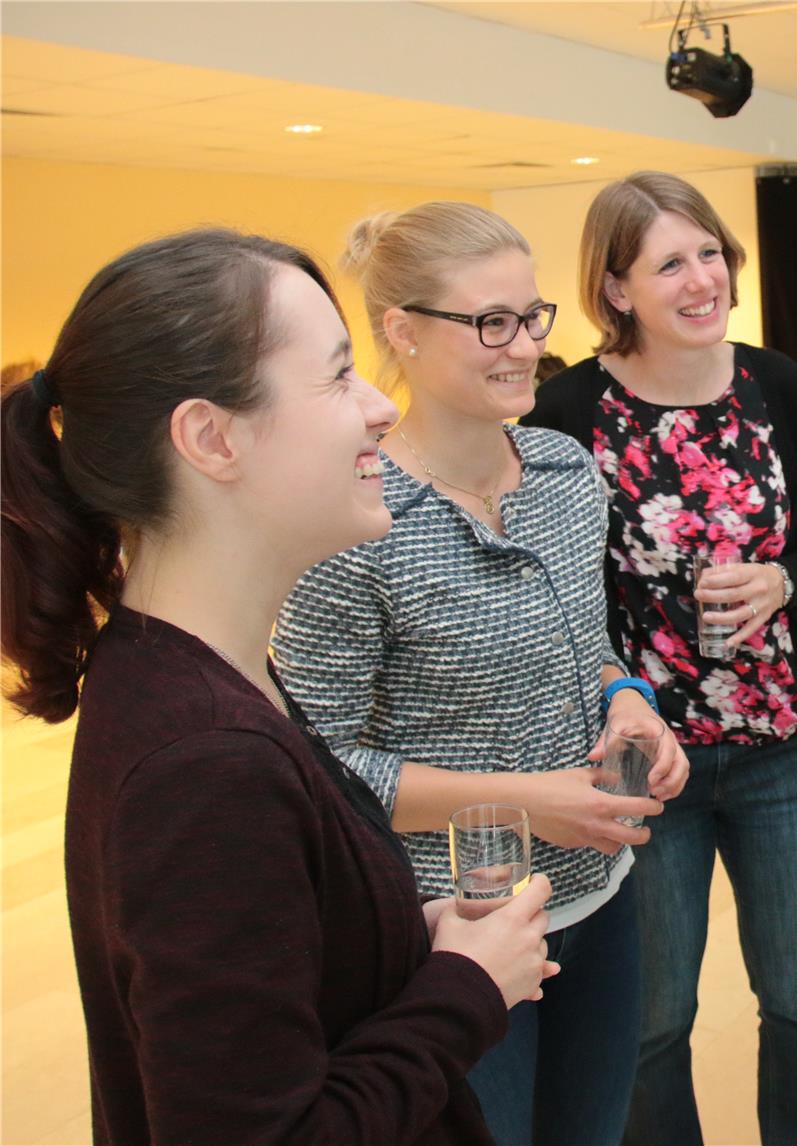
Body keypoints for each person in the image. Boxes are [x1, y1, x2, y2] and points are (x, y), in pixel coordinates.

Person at [0, 229, 558, 1143]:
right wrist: (466, 990)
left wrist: (399, 941)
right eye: (338, 376)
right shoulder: (204, 762)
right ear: (211, 438)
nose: (378, 407)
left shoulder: (197, 671)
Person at [271, 202, 687, 1146]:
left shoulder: (565, 472)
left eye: (532, 317)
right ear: (402, 332)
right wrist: (526, 804)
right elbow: (320, 770)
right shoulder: (354, 517)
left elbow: (590, 644)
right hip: (448, 933)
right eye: (492, 323)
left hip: (601, 897)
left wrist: (629, 703)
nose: (526, 347)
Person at [523, 171, 797, 1146]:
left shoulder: (773, 381)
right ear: (615, 288)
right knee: (655, 1017)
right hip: (641, 759)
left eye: (711, 253)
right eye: (671, 263)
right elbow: (555, 591)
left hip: (781, 745)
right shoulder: (567, 411)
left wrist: (783, 580)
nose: (704, 278)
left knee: (795, 996)